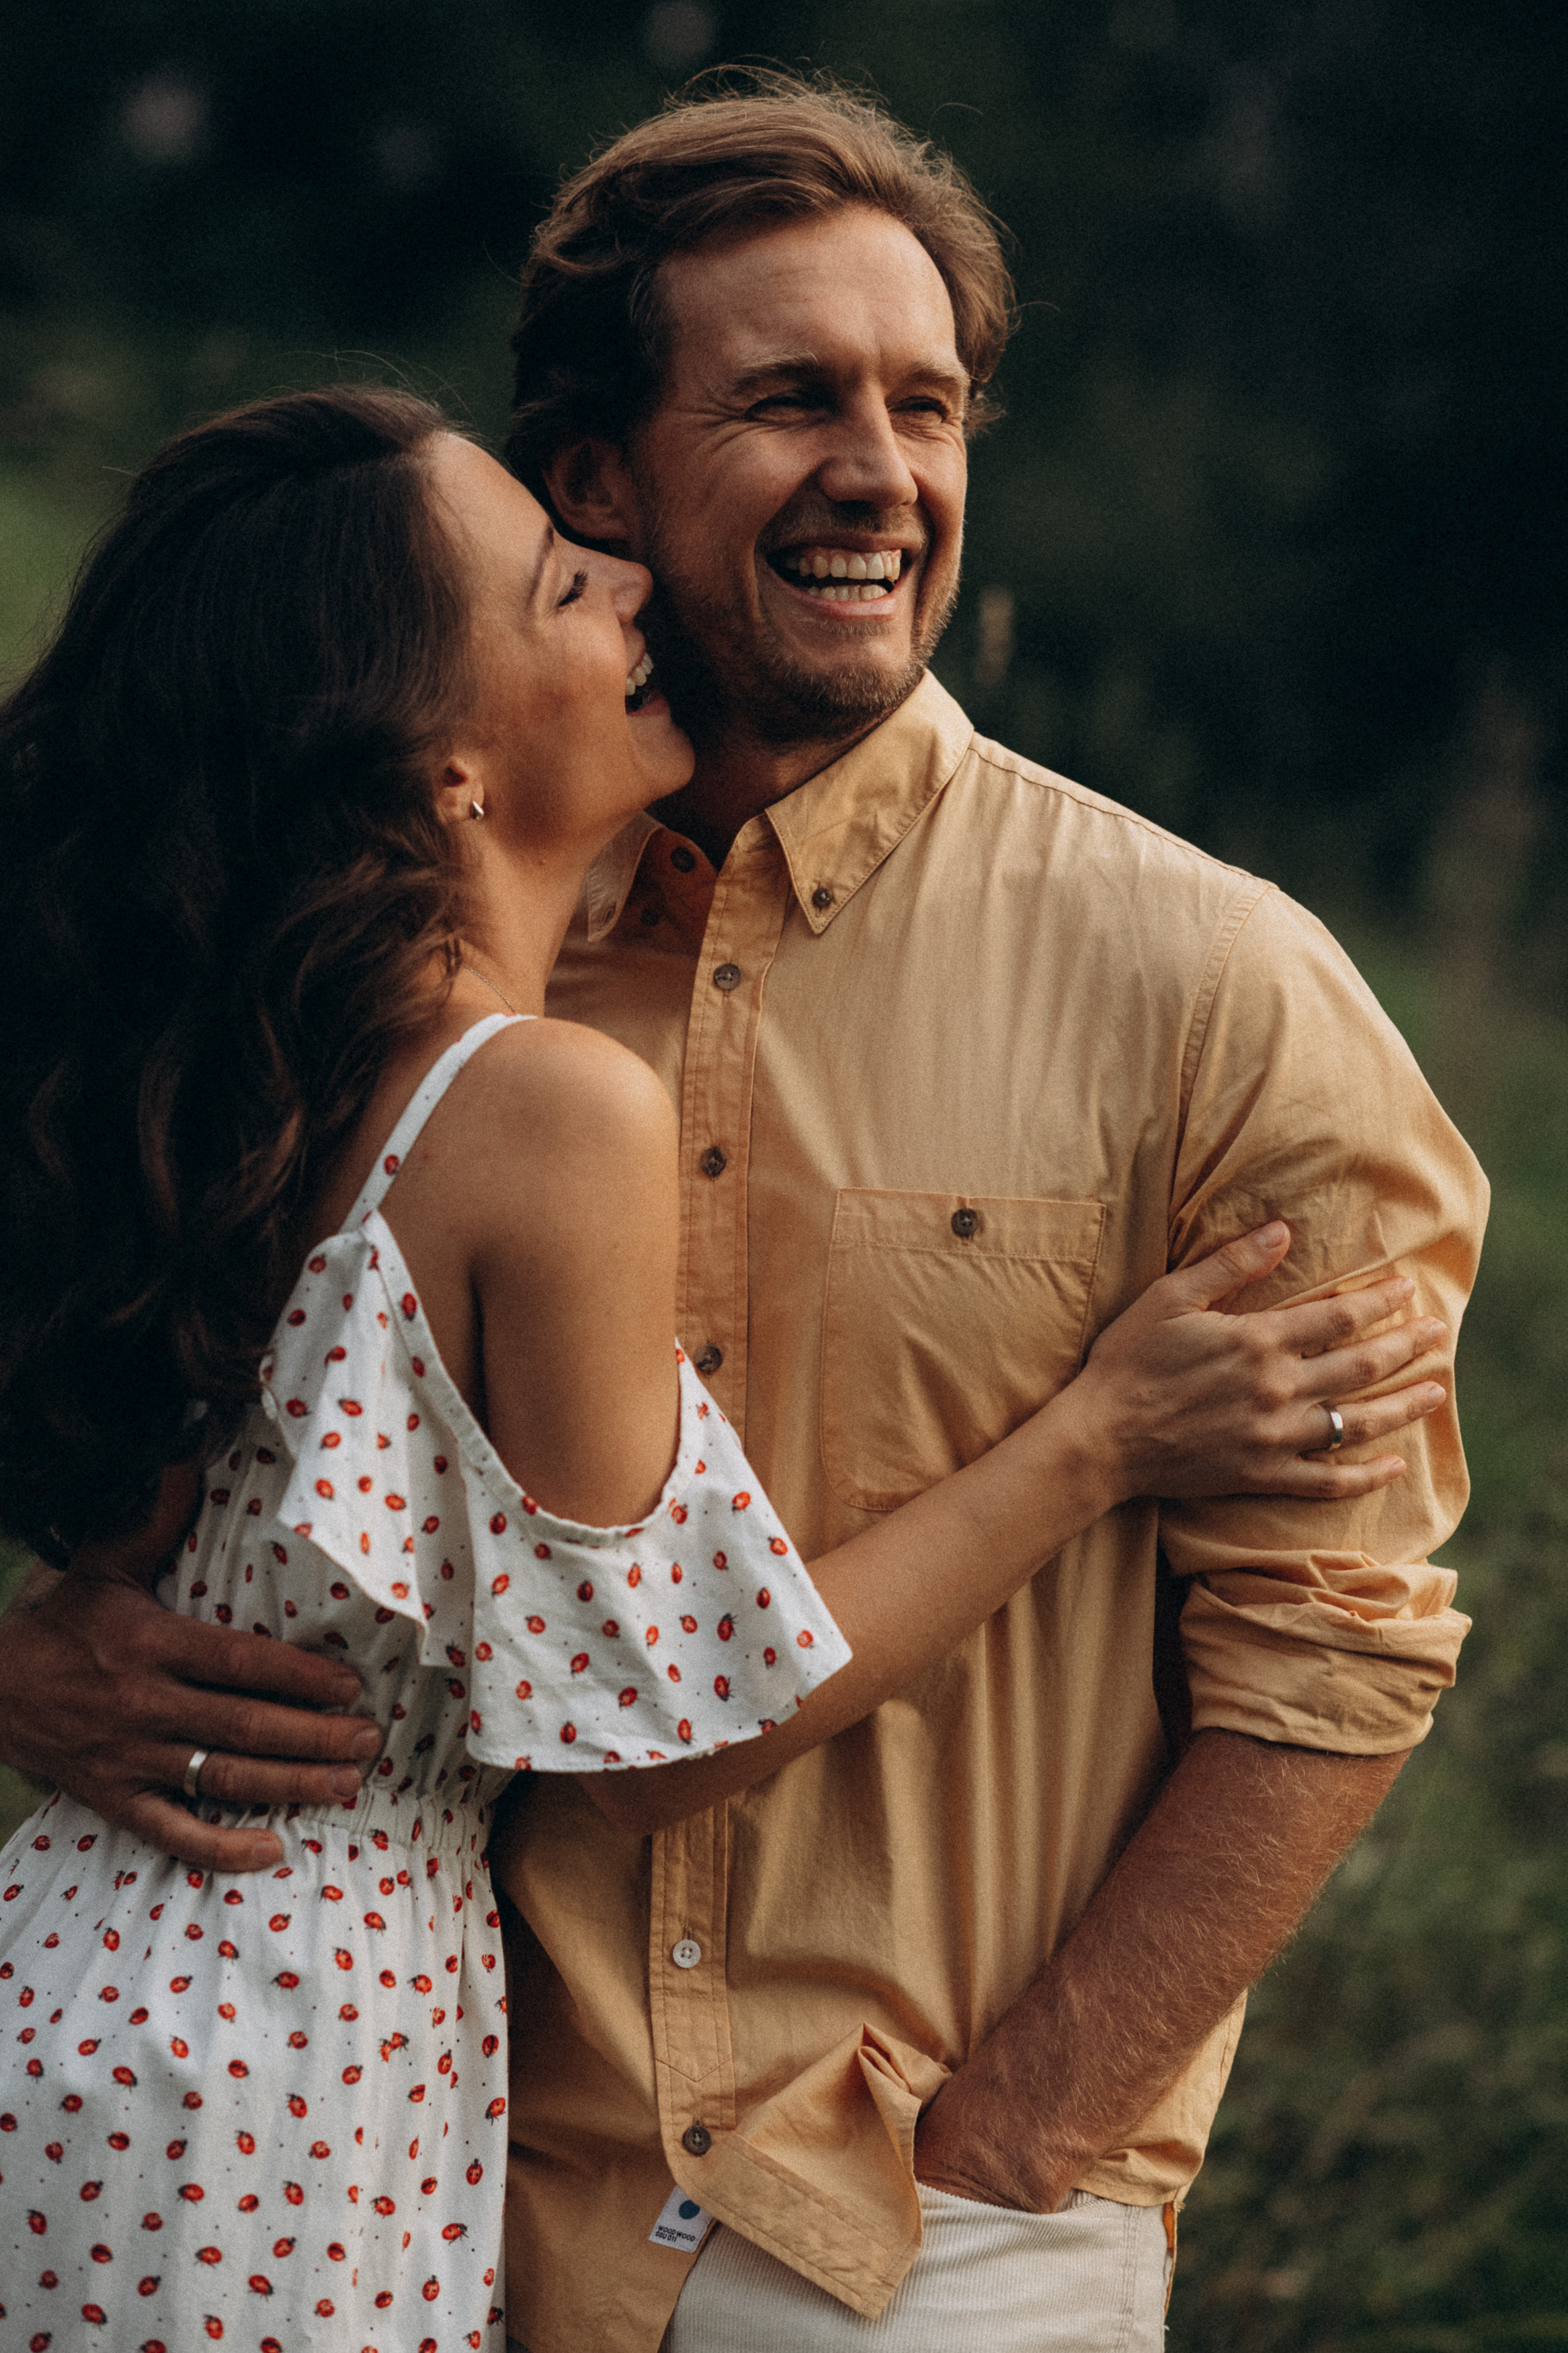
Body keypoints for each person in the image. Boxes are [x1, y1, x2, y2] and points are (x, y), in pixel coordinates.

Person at [0, 74, 1487, 2353]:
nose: (883, 469)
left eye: (931, 403)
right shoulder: (410, 976)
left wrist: (1017, 2151)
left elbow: (1346, 1645)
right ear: (594, 482)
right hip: (426, 2160)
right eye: (793, 397)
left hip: (900, 2229)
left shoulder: (1220, 982)